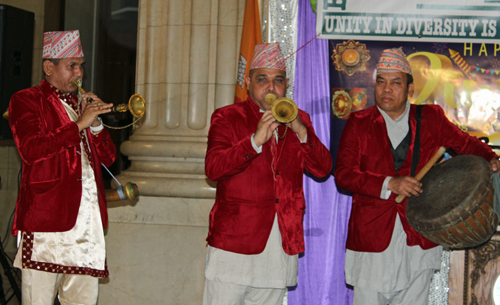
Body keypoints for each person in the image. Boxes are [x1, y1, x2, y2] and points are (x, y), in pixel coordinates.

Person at [334, 47, 500, 305]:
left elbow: (465, 144)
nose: (386, 89)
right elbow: (344, 175)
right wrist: (390, 183)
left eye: (395, 83)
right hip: (372, 235)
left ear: (410, 89)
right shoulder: (358, 122)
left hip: (418, 234)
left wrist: (491, 158)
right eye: (381, 82)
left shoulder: (430, 118)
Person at [203, 43, 332, 305]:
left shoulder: (299, 119)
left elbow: (322, 168)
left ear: (286, 86)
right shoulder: (227, 117)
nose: (271, 88)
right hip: (234, 243)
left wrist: (301, 129)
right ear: (248, 82)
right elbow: (213, 169)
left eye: (278, 81)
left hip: (280, 242)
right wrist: (254, 141)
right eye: (262, 80)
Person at [8, 30, 116, 305]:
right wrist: (79, 124)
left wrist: (95, 124)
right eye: (72, 66)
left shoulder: (81, 106)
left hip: (86, 227)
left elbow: (109, 158)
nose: (79, 73)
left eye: (81, 65)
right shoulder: (27, 100)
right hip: (47, 224)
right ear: (49, 67)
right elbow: (31, 149)